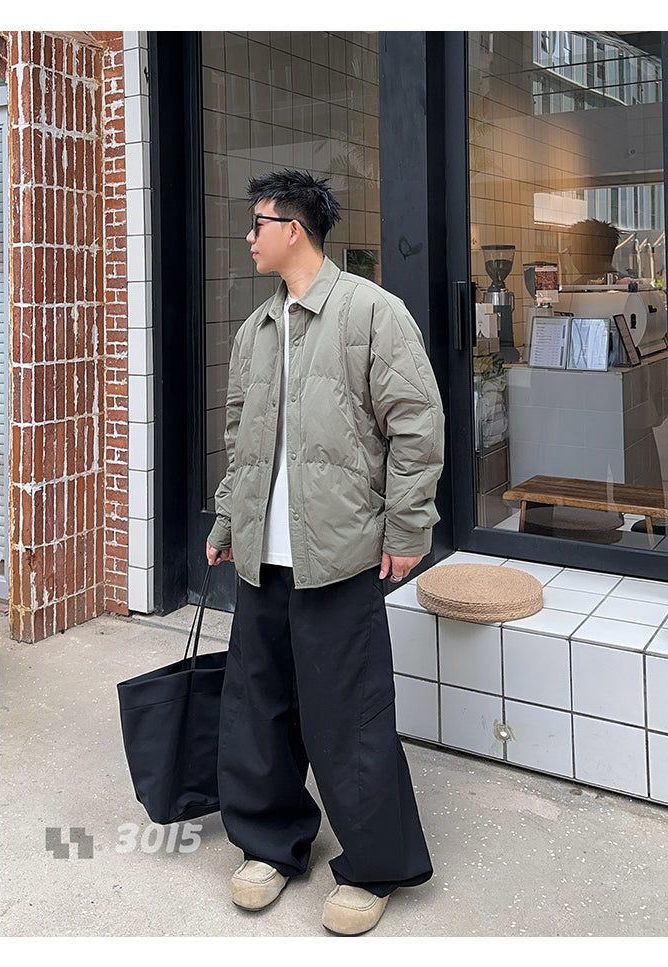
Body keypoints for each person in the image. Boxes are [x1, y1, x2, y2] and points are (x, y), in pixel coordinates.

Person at [206, 168, 445, 935]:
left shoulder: (372, 312)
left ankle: (375, 865)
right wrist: (227, 522)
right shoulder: (256, 329)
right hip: (263, 559)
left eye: (259, 223)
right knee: (259, 706)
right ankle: (270, 844)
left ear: (293, 230)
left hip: (340, 556)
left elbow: (417, 425)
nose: (250, 236)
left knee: (350, 717)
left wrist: (407, 529)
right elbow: (242, 440)